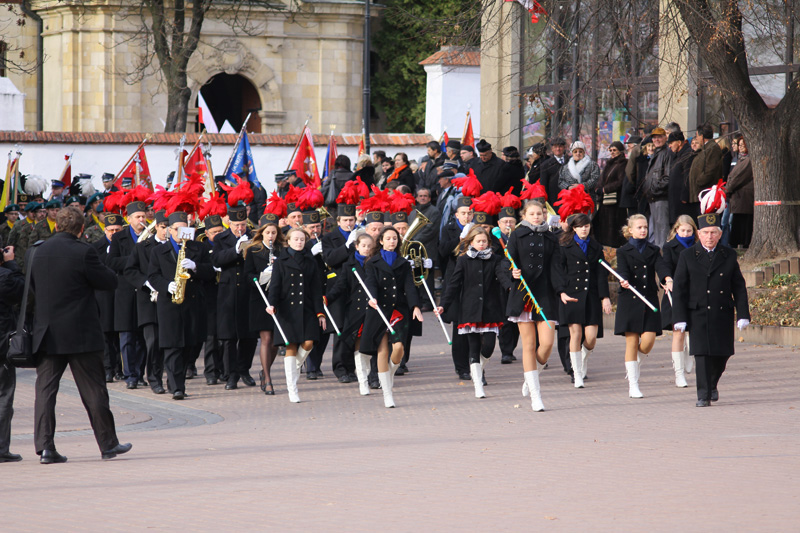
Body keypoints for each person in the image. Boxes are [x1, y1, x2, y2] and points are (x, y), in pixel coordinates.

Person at [30, 206, 131, 463]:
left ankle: (45, 448)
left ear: (56, 225)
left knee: (45, 391)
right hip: (80, 332)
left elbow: (31, 288)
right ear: (81, 228)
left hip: (47, 332)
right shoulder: (84, 251)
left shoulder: (38, 251)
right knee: (94, 390)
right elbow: (108, 281)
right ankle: (108, 444)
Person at [672, 212, 750, 407]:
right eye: (705, 232)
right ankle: (703, 395)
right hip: (697, 312)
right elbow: (680, 288)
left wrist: (743, 314)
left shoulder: (728, 255)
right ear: (699, 234)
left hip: (722, 311)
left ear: (720, 234)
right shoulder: (687, 255)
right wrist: (679, 317)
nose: (709, 237)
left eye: (713, 233)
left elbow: (738, 286)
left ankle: (712, 383)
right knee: (702, 354)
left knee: (723, 353)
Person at [437, 226, 512, 399]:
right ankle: (478, 383)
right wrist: (443, 305)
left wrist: (509, 286)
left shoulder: (495, 259)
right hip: (470, 310)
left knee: (488, 347)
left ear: (488, 243)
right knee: (473, 347)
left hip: (490, 309)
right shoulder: (463, 260)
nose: (481, 244)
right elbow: (454, 284)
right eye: (478, 241)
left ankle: (478, 368)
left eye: (484, 241)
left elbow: (502, 276)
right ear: (471, 242)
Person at [147, 211, 214, 400]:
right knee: (172, 346)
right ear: (170, 230)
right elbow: (153, 276)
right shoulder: (158, 251)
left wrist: (196, 267)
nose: (181, 233)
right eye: (177, 229)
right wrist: (166, 285)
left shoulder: (199, 248)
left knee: (189, 347)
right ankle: (177, 387)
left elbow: (210, 272)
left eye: (185, 229)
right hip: (169, 305)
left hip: (192, 304)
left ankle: (176, 382)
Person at [361, 226, 423, 408]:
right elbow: (370, 282)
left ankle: (389, 374)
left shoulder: (403, 263)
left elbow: (409, 286)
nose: (391, 241)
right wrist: (372, 297)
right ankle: (387, 393)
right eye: (388, 238)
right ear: (381, 241)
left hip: (398, 310)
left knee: (399, 348)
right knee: (382, 351)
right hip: (379, 310)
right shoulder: (372, 262)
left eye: (394, 238)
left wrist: (415, 306)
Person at [507, 200, 559, 411]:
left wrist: (562, 291)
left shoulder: (551, 237)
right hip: (523, 293)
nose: (537, 217)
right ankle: (536, 396)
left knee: (546, 344)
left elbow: (556, 267)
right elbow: (506, 261)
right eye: (532, 214)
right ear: (524, 216)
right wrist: (512, 272)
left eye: (540, 213)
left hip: (545, 294)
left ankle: (531, 376)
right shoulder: (516, 235)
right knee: (528, 345)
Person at [552, 213, 611, 389]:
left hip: (591, 295)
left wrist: (605, 297)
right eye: (580, 226)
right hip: (571, 294)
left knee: (591, 338)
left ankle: (582, 359)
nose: (583, 229)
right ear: (574, 228)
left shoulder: (596, 246)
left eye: (586, 226)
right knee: (575, 335)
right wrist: (561, 292)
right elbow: (558, 270)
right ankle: (577, 373)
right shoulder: (564, 245)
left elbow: (601, 273)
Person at [266, 227, 325, 403]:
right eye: (296, 239)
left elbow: (316, 289)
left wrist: (320, 312)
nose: (299, 242)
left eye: (302, 239)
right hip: (287, 310)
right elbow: (275, 285)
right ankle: (292, 389)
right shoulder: (281, 261)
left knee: (309, 342)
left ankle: (293, 368)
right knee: (290, 346)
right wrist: (272, 304)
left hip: (307, 308)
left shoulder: (310, 260)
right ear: (288, 241)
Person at [613, 214, 663, 399]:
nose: (643, 230)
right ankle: (633, 384)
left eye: (645, 227)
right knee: (632, 342)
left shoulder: (653, 249)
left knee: (648, 342)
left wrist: (667, 278)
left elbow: (661, 267)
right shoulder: (623, 251)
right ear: (630, 230)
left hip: (649, 298)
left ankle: (633, 365)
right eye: (639, 227)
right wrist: (623, 280)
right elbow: (622, 270)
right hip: (630, 299)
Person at [212, 205, 258, 389]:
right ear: (229, 223)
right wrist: (235, 250)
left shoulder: (253, 236)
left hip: (248, 291)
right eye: (237, 225)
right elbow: (216, 260)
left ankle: (244, 370)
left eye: (243, 224)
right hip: (228, 292)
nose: (240, 228)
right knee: (229, 337)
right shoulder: (221, 238)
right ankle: (231, 374)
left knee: (249, 335)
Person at [326, 233, 376, 395]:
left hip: (372, 308)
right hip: (354, 308)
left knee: (370, 341)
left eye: (369, 247)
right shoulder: (349, 265)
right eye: (363, 246)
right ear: (357, 246)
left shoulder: (376, 263)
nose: (366, 249)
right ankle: (350, 373)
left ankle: (371, 374)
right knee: (349, 340)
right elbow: (340, 285)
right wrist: (328, 298)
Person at [123, 210, 167, 394]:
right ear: (156, 227)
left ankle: (174, 382)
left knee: (169, 342)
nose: (166, 231)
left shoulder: (177, 247)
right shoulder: (143, 247)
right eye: (163, 227)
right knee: (153, 341)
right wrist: (146, 282)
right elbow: (130, 270)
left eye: (169, 227)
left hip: (169, 300)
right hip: (149, 301)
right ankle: (154, 379)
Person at [107, 200, 148, 389]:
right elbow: (111, 262)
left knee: (143, 336)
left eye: (143, 216)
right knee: (127, 336)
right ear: (129, 219)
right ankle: (129, 374)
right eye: (137, 217)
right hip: (125, 291)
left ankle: (139, 373)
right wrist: (134, 258)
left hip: (144, 290)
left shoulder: (150, 236)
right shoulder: (119, 237)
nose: (141, 220)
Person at [243, 218, 283, 395]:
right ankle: (268, 379)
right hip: (260, 298)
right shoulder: (253, 250)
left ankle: (264, 370)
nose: (271, 236)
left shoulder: (282, 250)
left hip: (278, 299)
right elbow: (247, 275)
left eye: (274, 232)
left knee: (275, 342)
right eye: (268, 233)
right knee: (266, 339)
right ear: (262, 233)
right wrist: (262, 276)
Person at [657, 215, 698, 388]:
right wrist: (668, 279)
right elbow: (665, 265)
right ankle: (679, 373)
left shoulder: (699, 245)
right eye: (683, 230)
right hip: (676, 293)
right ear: (676, 230)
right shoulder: (669, 246)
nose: (686, 233)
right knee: (678, 332)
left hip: (695, 293)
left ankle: (689, 353)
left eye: (689, 231)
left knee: (694, 330)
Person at [91, 213, 124, 382]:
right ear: (105, 230)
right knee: (106, 333)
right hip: (104, 295)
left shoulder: (127, 245)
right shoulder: (97, 247)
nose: (114, 233)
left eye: (117, 230)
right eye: (110, 230)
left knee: (120, 332)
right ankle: (108, 368)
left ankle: (120, 368)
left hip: (121, 293)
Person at [0, 242, 24, 463]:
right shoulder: (5, 277)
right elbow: (23, 290)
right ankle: (1, 448)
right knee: (4, 395)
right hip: (2, 346)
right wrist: (12, 264)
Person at [641, 127, 672, 248]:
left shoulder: (666, 153)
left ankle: (663, 256)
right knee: (656, 231)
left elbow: (667, 178)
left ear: (665, 138)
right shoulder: (656, 153)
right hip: (653, 197)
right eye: (654, 137)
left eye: (659, 137)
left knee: (662, 230)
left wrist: (654, 189)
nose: (656, 140)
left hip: (661, 197)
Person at [593, 141, 628, 248]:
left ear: (620, 151)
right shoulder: (609, 164)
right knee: (603, 224)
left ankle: (614, 246)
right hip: (605, 200)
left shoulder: (623, 164)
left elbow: (620, 181)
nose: (612, 152)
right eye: (610, 150)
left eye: (614, 150)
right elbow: (602, 179)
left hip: (615, 200)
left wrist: (605, 189)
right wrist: (598, 188)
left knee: (613, 225)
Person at [688, 125, 723, 219]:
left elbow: (710, 170)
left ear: (702, 136)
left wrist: (699, 181)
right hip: (701, 193)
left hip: (706, 193)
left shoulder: (712, 148)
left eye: (697, 135)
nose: (696, 138)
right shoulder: (705, 148)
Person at [725, 136, 754, 248]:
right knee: (737, 222)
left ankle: (743, 243)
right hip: (738, 197)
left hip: (744, 197)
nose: (740, 147)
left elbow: (738, 177)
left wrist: (727, 189)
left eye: (743, 145)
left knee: (743, 223)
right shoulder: (740, 159)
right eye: (739, 145)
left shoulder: (748, 160)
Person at [558, 141, 601, 206]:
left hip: (587, 199)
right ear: (572, 153)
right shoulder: (565, 167)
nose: (578, 154)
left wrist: (581, 186)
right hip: (570, 199)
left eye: (580, 151)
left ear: (584, 152)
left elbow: (595, 179)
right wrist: (568, 187)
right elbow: (560, 181)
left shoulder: (592, 165)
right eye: (575, 152)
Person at [666, 131, 695, 226]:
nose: (669, 146)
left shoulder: (688, 154)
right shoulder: (676, 155)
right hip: (675, 199)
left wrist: (684, 196)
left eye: (671, 143)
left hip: (682, 201)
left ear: (679, 142)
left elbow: (687, 176)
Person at [540, 138, 568, 209]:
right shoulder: (546, 165)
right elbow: (543, 185)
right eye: (555, 147)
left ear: (564, 148)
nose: (558, 149)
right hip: (554, 199)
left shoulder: (570, 161)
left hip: (569, 198)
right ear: (552, 149)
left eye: (560, 146)